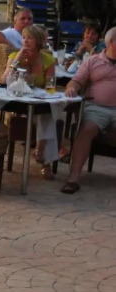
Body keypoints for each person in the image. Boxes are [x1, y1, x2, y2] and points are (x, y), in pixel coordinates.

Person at [61, 26, 116, 194]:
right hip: (96, 108)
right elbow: (76, 81)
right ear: (110, 43)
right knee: (86, 129)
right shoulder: (93, 61)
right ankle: (73, 178)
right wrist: (72, 88)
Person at [1, 25, 59, 180]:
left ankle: (41, 153)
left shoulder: (48, 60)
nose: (25, 41)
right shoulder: (15, 56)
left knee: (48, 115)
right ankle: (44, 160)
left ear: (38, 41)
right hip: (18, 103)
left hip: (37, 102)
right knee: (48, 117)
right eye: (24, 37)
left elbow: (51, 87)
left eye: (30, 38)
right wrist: (18, 59)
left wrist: (43, 92)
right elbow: (4, 80)